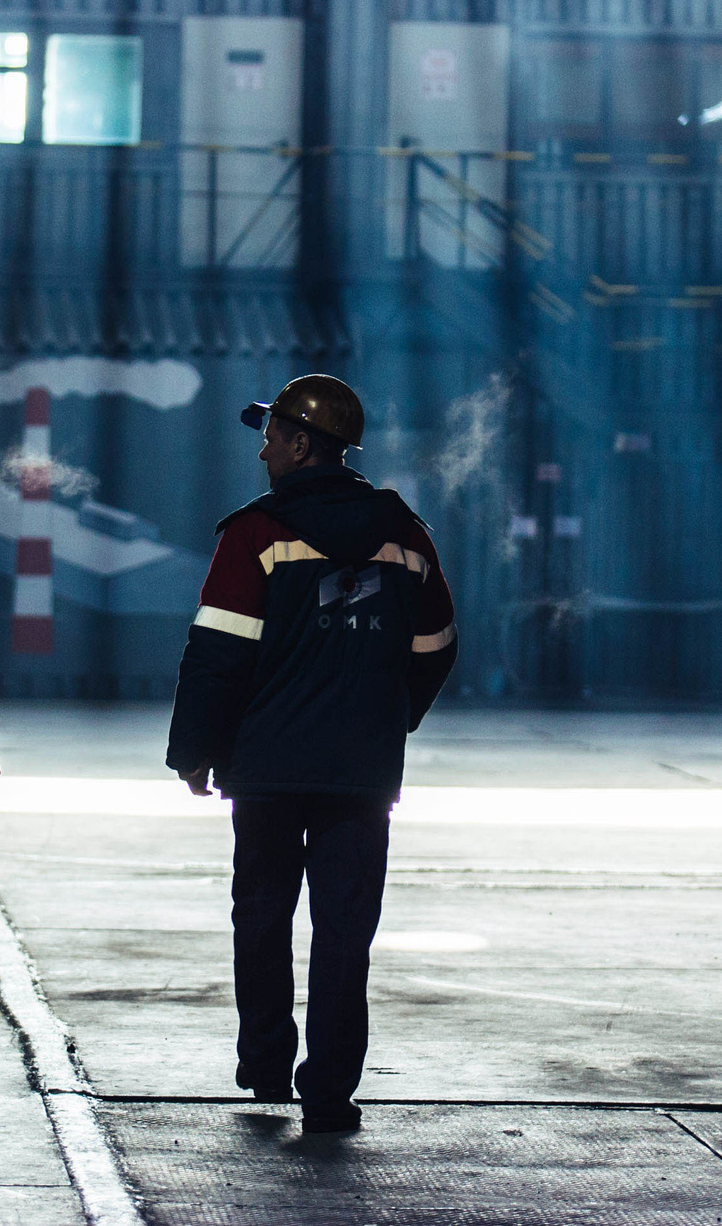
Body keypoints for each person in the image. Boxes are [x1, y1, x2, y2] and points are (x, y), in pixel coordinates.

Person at [165, 374, 458, 1135]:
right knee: (344, 931)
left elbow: (217, 654)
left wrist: (195, 749)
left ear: (301, 444)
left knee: (262, 915)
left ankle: (266, 1064)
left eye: (270, 436)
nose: (262, 451)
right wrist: (393, 717)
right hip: (360, 773)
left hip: (266, 767)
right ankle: (328, 1092)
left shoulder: (257, 535)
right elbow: (436, 645)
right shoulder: (406, 534)